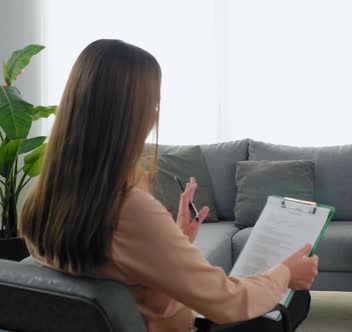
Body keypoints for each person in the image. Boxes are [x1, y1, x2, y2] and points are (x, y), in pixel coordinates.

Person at [19, 39, 319, 332]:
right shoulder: (129, 206)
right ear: (132, 115)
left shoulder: (44, 197)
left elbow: (115, 270)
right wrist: (285, 274)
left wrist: (174, 240)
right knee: (293, 299)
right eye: (153, 103)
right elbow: (227, 301)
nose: (155, 113)